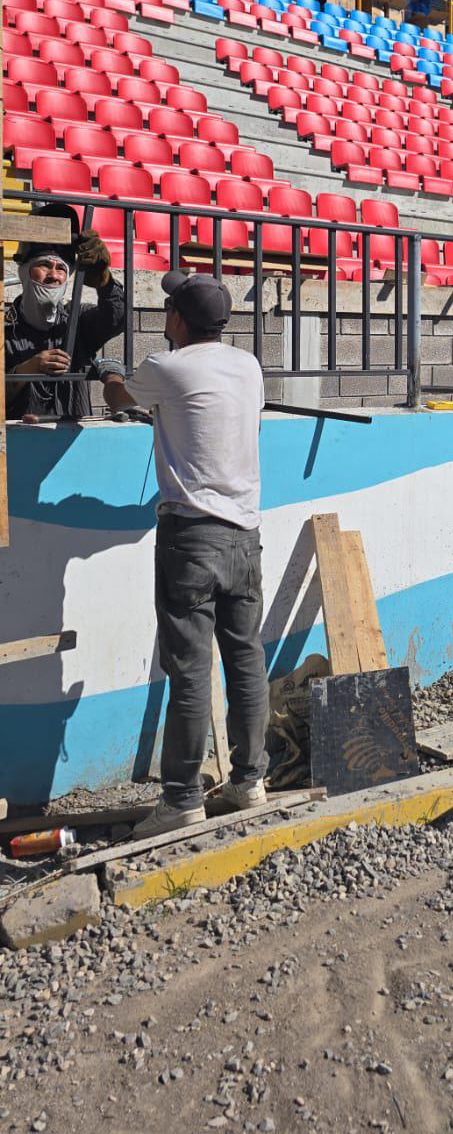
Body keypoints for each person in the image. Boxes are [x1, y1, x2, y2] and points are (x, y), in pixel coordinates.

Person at [99, 270, 269, 839]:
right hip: (245, 534)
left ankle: (182, 798)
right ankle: (250, 779)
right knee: (245, 661)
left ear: (177, 320)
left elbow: (117, 397)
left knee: (191, 672)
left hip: (191, 538)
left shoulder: (165, 368)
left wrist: (109, 370)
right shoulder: (248, 366)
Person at [6, 204, 125, 422]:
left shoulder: (76, 319)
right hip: (20, 442)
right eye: (44, 265)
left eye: (61, 268)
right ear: (23, 272)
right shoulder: (6, 329)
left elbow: (115, 319)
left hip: (72, 443)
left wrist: (104, 282)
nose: (53, 276)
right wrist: (27, 369)